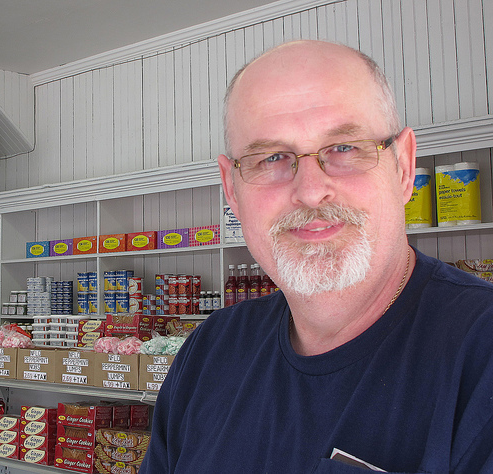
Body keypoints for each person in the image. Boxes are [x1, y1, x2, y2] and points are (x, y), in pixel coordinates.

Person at [139, 40, 493, 473]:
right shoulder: (209, 351)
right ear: (232, 190)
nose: (309, 190)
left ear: (403, 167)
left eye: (344, 148)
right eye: (271, 157)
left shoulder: (481, 355)